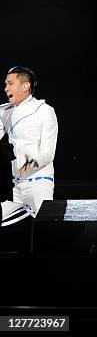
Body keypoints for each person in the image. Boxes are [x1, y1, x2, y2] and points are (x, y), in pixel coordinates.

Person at [1, 66, 58, 226]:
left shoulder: (44, 111)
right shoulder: (6, 112)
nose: (6, 88)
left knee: (42, 231)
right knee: (20, 233)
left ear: (25, 86)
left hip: (39, 182)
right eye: (5, 84)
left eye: (10, 83)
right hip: (17, 185)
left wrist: (28, 164)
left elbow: (48, 152)